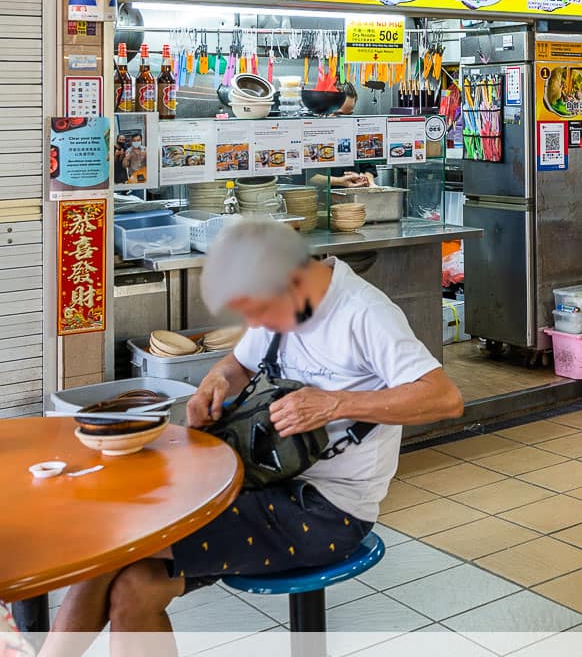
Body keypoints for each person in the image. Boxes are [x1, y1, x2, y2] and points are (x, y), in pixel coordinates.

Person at [45, 219, 463, 646]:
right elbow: (239, 363)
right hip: (261, 482)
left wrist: (336, 403)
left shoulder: (365, 314)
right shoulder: (280, 302)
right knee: (134, 587)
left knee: (115, 545)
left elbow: (445, 398)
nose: (257, 323)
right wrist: (214, 381)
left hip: (328, 511)